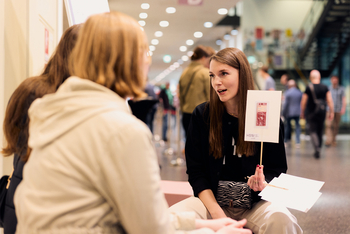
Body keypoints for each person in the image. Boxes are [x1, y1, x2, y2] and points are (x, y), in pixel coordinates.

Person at [13, 12, 250, 234]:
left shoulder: (52, 112)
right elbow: (149, 229)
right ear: (127, 61)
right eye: (144, 52)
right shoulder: (122, 131)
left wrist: (198, 223)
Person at [169, 48, 302, 234]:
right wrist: (218, 215)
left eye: (224, 74)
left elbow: (277, 169)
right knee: (172, 220)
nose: (216, 82)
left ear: (243, 74)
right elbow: (196, 172)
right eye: (212, 75)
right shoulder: (202, 115)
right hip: (211, 204)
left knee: (283, 220)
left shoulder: (266, 115)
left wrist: (265, 184)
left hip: (254, 205)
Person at [1, 24, 81, 234]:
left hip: (18, 201)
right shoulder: (67, 100)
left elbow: (14, 142)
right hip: (42, 209)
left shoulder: (29, 89)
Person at [179, 45, 215, 137]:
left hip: (186, 114)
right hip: (201, 116)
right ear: (203, 58)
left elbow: (181, 96)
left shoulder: (184, 72)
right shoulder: (204, 73)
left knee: (191, 145)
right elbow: (210, 96)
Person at [300, 70, 334, 158]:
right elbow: (329, 100)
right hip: (322, 112)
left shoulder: (309, 87)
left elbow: (303, 101)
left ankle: (317, 148)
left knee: (312, 130)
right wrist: (332, 111)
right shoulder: (325, 87)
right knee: (320, 130)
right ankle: (319, 146)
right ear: (319, 77)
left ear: (311, 78)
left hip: (311, 112)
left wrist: (302, 112)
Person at [325, 75, 346, 147]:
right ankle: (328, 140)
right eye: (333, 79)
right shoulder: (328, 88)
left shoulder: (341, 89)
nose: (334, 81)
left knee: (336, 125)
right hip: (329, 110)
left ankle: (333, 140)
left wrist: (343, 108)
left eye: (336, 79)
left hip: (338, 109)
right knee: (328, 125)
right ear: (331, 80)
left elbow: (343, 99)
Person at [282, 79, 302, 147]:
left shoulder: (287, 93)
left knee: (287, 127)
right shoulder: (299, 92)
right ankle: (298, 142)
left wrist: (283, 113)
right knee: (297, 127)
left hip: (289, 112)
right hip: (297, 112)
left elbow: (285, 104)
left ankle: (285, 141)